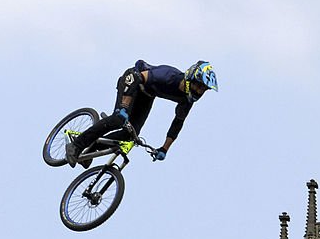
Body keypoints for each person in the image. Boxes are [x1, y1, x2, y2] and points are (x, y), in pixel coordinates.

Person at [65, 59, 218, 168]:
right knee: (119, 118)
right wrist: (124, 107)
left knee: (130, 134)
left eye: (203, 90)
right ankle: (76, 145)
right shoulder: (169, 76)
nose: (200, 91)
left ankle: (91, 148)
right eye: (199, 86)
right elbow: (136, 78)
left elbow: (177, 123)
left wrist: (164, 149)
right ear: (191, 78)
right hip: (132, 81)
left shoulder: (187, 100)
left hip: (147, 96)